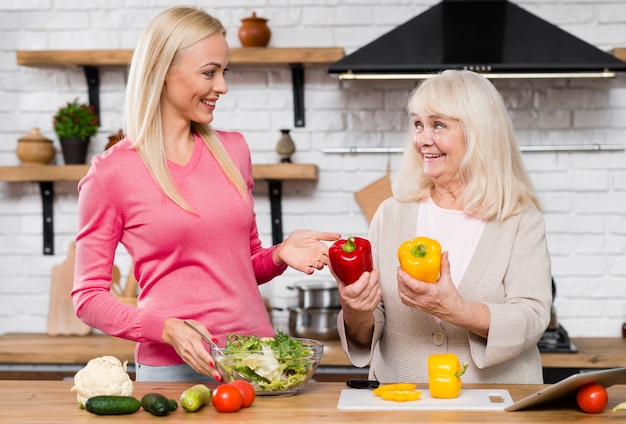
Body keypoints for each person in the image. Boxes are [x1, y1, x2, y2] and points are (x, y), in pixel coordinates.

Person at [71, 6, 340, 382]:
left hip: (256, 361)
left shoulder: (234, 151)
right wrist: (165, 329)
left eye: (224, 72)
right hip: (172, 371)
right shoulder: (111, 173)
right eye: (209, 72)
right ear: (162, 72)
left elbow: (243, 264)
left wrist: (279, 254)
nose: (222, 87)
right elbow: (87, 298)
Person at [332, 70, 552, 384]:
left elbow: (532, 317)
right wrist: (355, 308)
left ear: (479, 134)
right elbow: (370, 321)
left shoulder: (520, 218)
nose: (422, 139)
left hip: (499, 401)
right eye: (418, 124)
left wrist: (457, 310)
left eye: (438, 125)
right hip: (401, 400)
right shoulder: (391, 214)